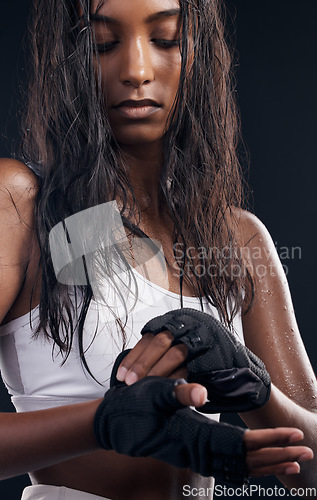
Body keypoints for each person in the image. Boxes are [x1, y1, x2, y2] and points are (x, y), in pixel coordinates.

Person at [0, 0, 316, 499]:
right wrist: (101, 422)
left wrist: (253, 384)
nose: (136, 70)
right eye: (102, 44)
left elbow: (314, 469)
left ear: (200, 55)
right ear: (68, 60)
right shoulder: (21, 204)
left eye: (166, 38)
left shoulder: (235, 239)